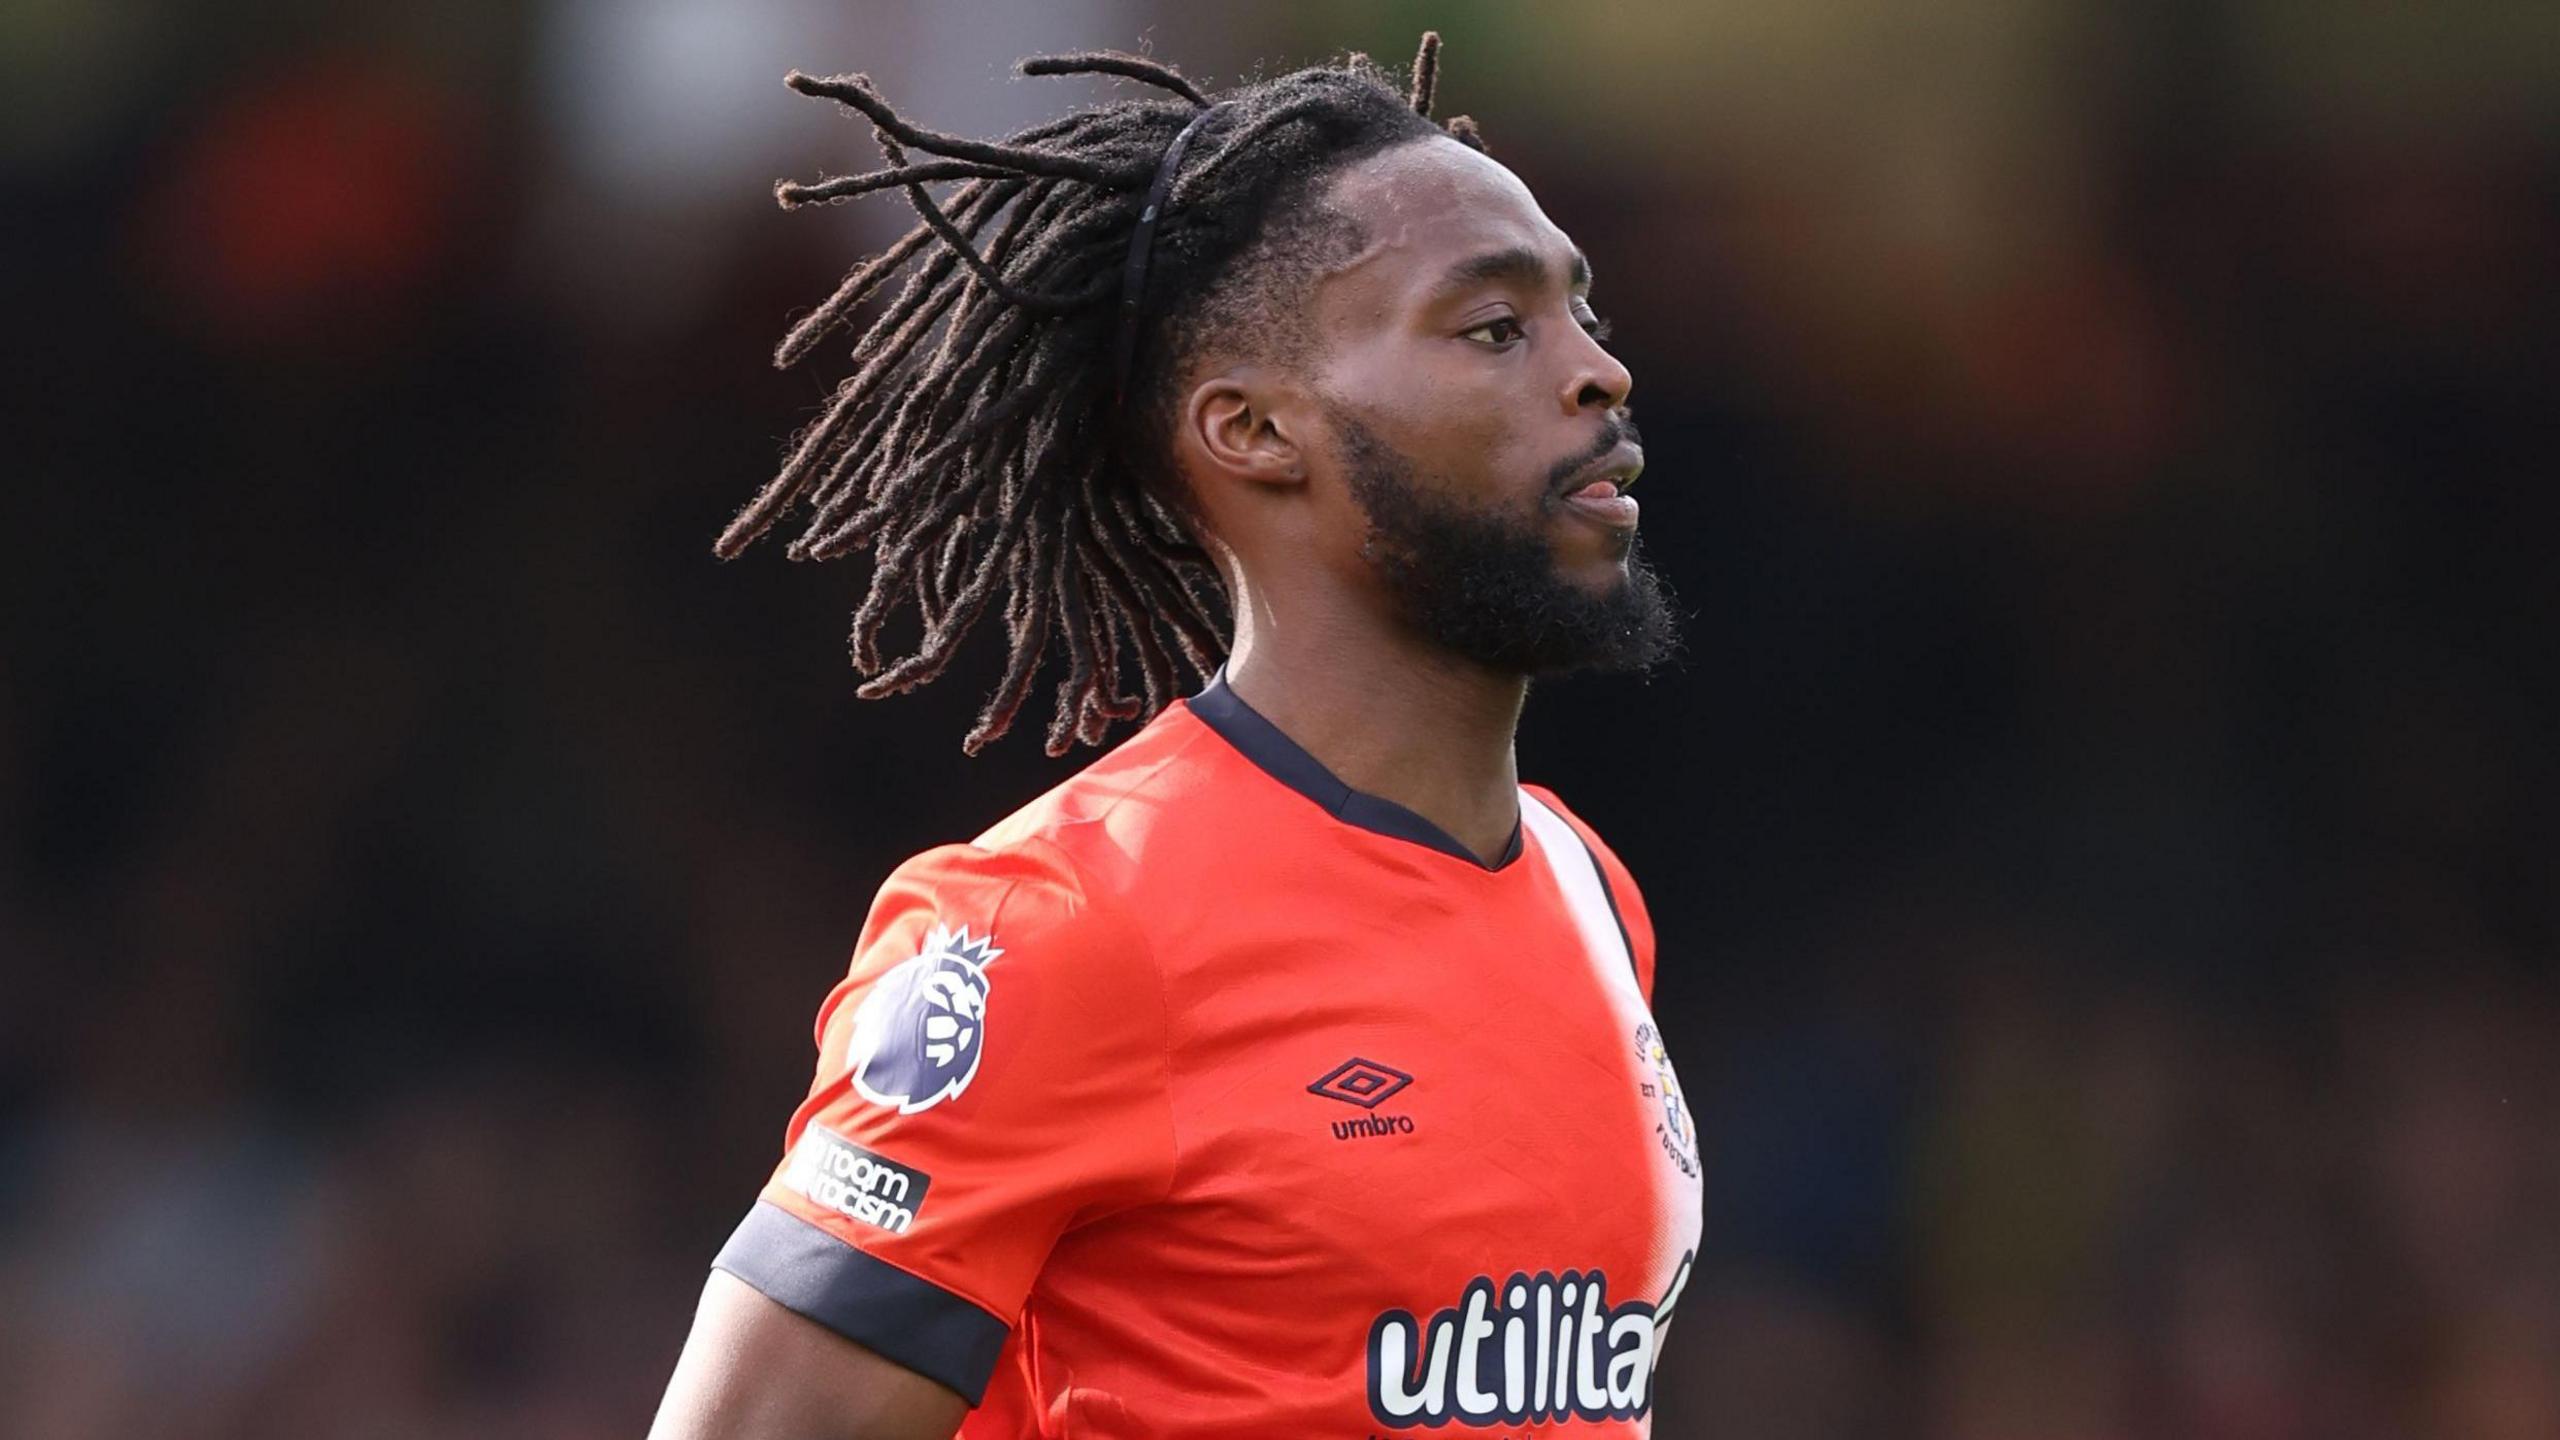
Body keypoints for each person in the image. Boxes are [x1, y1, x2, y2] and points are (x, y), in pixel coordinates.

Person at [650, 33, 1699, 1438]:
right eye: (1495, 329)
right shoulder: (1060, 929)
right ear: (1255, 429)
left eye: (1586, 318)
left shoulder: (1587, 894)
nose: (1595, 375)